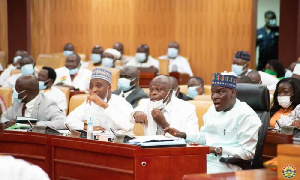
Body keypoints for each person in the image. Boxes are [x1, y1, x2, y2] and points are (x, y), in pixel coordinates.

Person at [164, 72, 261, 174]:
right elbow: (205, 137)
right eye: (212, 92)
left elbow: (247, 153)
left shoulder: (246, 115)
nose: (214, 97)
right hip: (206, 159)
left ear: (233, 92)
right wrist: (183, 134)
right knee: (172, 169)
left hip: (229, 164)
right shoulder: (212, 110)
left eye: (220, 92)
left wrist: (215, 150)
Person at [65, 67, 133, 131]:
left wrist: (104, 105)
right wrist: (87, 127)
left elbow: (128, 126)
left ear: (109, 87)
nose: (94, 90)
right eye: (91, 86)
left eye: (98, 86)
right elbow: (68, 121)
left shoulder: (121, 103)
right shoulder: (89, 103)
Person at [130, 75, 199, 136]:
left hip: (175, 149)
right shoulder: (145, 103)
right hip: (150, 148)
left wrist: (163, 123)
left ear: (170, 93)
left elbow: (192, 137)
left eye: (158, 90)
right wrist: (135, 114)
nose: (153, 93)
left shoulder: (187, 108)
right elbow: (130, 117)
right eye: (151, 90)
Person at [1, 75, 66, 129]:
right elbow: (3, 117)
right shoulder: (17, 102)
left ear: (26, 92)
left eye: (17, 90)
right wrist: (7, 123)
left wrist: (33, 124)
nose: (14, 92)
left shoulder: (47, 104)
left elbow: (61, 122)